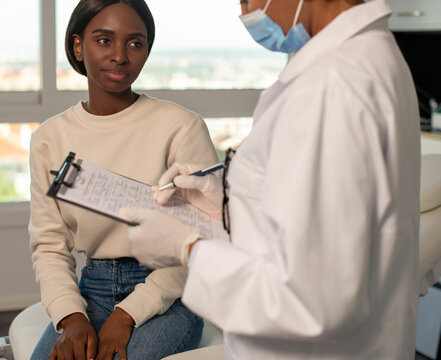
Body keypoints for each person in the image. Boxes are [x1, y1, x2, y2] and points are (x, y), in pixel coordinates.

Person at [120, 0, 421, 358]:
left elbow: (311, 300)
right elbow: (329, 222)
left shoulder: (331, 86)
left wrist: (187, 248)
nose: (245, 9)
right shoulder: (370, 57)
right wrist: (222, 206)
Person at [28, 0, 219, 359]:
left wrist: (129, 313)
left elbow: (206, 238)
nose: (120, 56)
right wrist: (71, 316)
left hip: (171, 289)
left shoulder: (181, 127)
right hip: (93, 287)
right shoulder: (48, 139)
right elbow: (49, 244)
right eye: (104, 40)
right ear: (77, 46)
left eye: (135, 43)